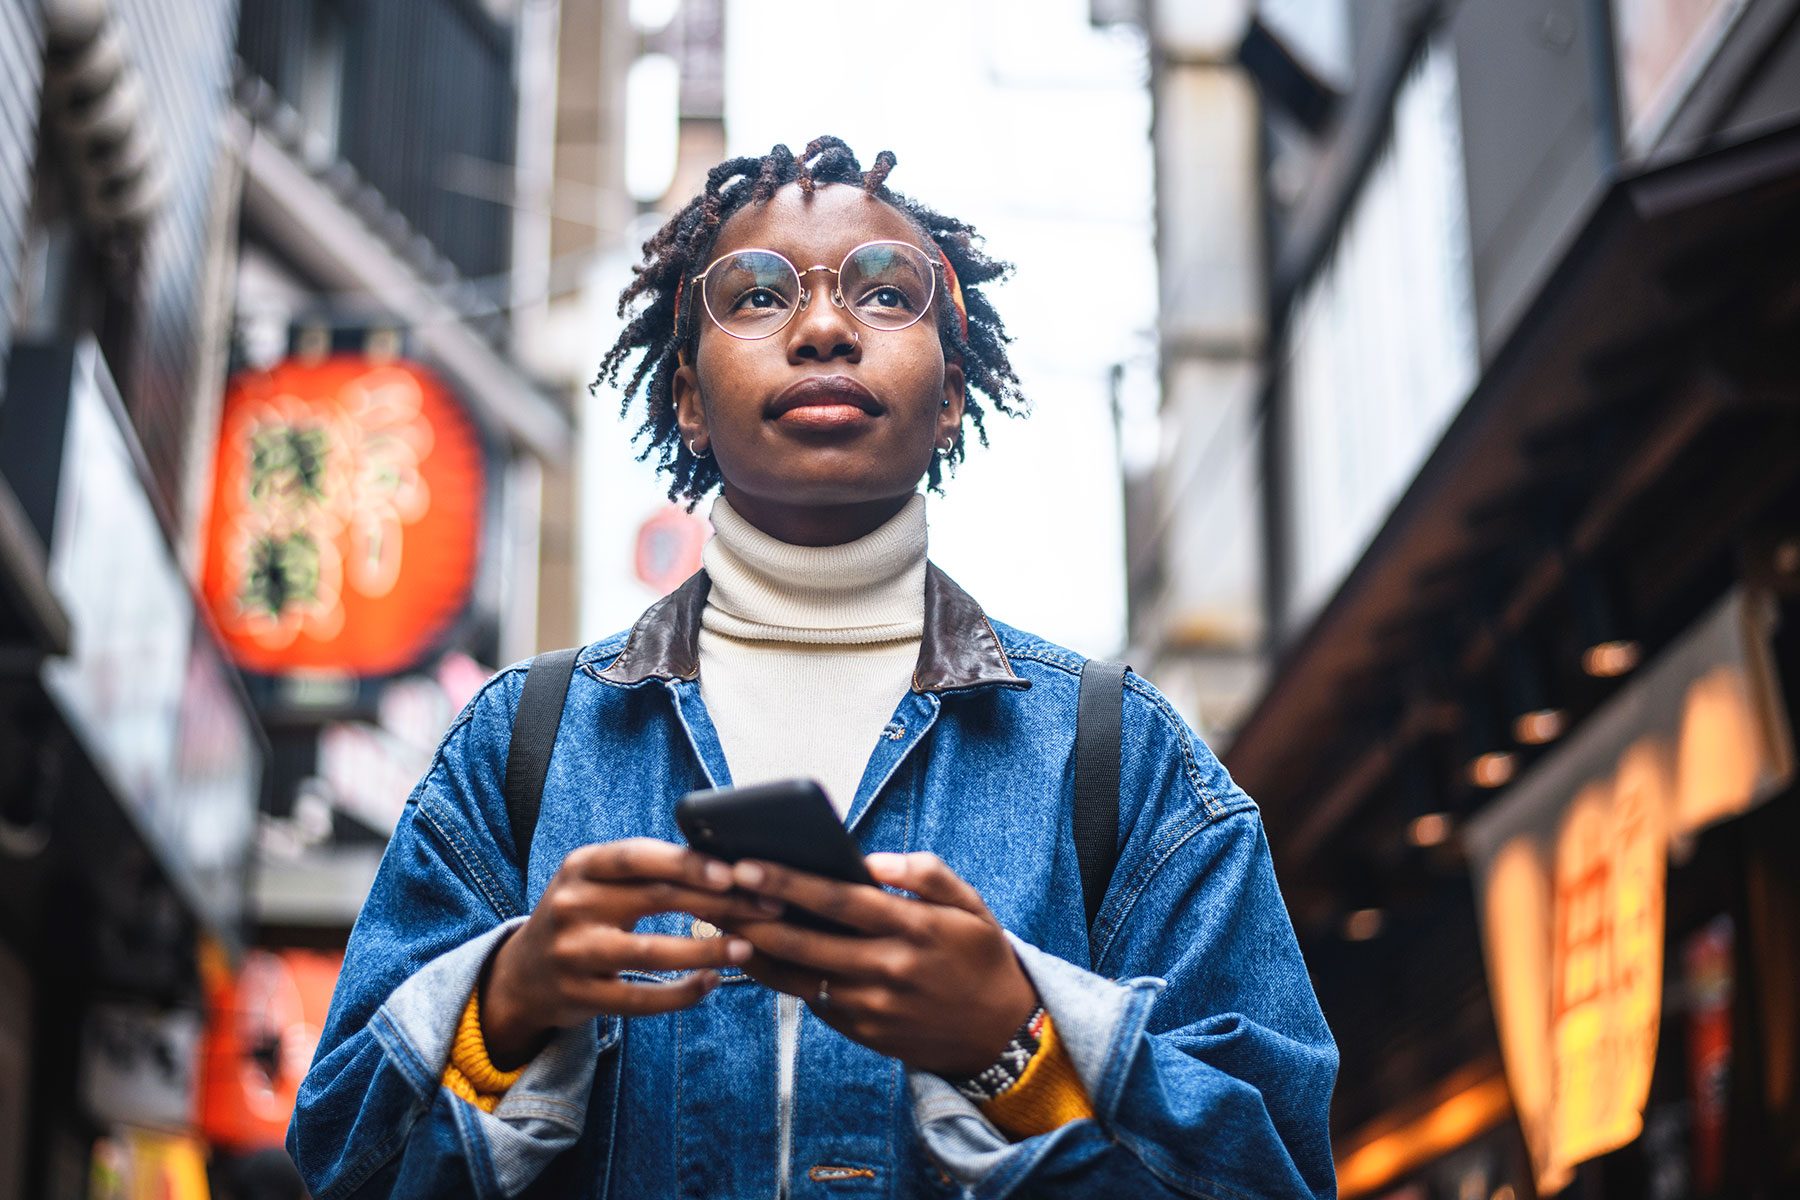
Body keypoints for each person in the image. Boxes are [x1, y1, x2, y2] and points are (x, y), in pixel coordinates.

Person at [288, 137, 1338, 1199]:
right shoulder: (524, 742)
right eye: (755, 295)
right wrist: (502, 1009)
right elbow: (338, 1160)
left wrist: (1015, 1050)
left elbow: (1277, 1171)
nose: (826, 325)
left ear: (951, 399)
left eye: (887, 294)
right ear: (689, 396)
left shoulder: (1119, 757)